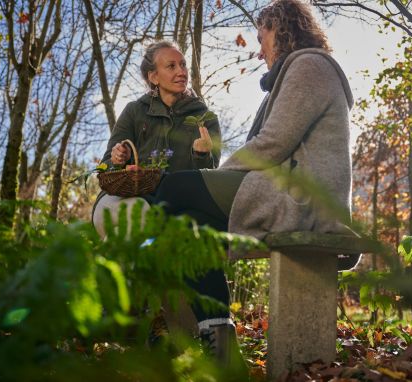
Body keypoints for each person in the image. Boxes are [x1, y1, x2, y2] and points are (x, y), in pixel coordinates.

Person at [152, 0, 354, 365]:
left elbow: (273, 143)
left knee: (169, 189)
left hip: (299, 198)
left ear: (284, 29)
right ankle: (221, 348)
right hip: (285, 190)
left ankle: (135, 304)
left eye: (263, 38)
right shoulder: (295, 72)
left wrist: (220, 174)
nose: (259, 50)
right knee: (189, 230)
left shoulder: (310, 66)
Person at [92, 41, 221, 238]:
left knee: (136, 226)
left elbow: (208, 182)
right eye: (171, 66)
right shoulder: (134, 111)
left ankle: (117, 267)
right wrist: (118, 160)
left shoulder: (204, 118)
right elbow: (105, 167)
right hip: (123, 198)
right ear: (153, 77)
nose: (182, 72)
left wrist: (202, 155)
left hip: (174, 205)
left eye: (183, 64)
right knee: (134, 213)